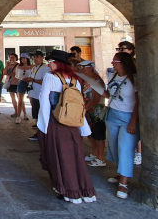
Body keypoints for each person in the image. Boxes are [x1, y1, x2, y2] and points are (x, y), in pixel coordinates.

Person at [37, 50, 96, 204]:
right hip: (72, 123)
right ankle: (84, 189)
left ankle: (66, 189)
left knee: (59, 157)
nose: (49, 64)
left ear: (58, 63)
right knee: (75, 156)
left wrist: (43, 125)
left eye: (51, 61)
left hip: (56, 122)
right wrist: (83, 127)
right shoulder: (75, 79)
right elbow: (78, 103)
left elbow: (44, 100)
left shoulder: (50, 76)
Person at [103, 52, 139, 199]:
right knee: (114, 147)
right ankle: (120, 173)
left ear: (123, 63)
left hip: (127, 116)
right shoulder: (114, 76)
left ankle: (123, 184)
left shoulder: (134, 79)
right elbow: (109, 95)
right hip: (112, 115)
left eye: (115, 61)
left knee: (125, 148)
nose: (112, 63)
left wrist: (133, 121)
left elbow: (138, 102)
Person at [76, 60, 106, 167]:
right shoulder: (87, 79)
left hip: (97, 112)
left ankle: (100, 158)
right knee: (92, 134)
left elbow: (96, 100)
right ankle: (94, 154)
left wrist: (84, 109)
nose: (82, 70)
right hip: (90, 111)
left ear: (91, 68)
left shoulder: (96, 80)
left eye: (84, 67)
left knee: (99, 135)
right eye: (81, 67)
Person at [116, 41, 141, 165]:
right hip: (115, 113)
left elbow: (138, 99)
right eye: (119, 49)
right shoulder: (116, 74)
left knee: (128, 141)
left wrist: (134, 120)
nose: (120, 50)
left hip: (128, 113)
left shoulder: (135, 70)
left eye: (123, 48)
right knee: (116, 146)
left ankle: (139, 153)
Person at [24, 51, 49, 141]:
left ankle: (41, 133)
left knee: (41, 114)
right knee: (36, 114)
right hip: (34, 94)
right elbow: (32, 79)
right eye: (34, 57)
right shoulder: (34, 68)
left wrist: (33, 80)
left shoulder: (45, 68)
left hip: (40, 95)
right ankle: (39, 132)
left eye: (37, 56)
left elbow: (45, 82)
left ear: (42, 57)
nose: (35, 58)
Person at [15, 53, 32, 122]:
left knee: (31, 101)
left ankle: (34, 117)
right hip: (21, 83)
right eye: (22, 59)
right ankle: (18, 116)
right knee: (20, 101)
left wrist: (29, 79)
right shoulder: (18, 66)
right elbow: (17, 76)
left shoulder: (31, 67)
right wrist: (22, 79)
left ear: (27, 59)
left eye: (25, 58)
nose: (23, 60)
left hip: (30, 83)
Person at [4, 53, 20, 122]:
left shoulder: (18, 65)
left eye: (13, 57)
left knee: (19, 98)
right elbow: (4, 72)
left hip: (17, 83)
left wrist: (9, 73)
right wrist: (6, 66)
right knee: (13, 98)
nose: (11, 59)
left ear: (16, 58)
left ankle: (21, 113)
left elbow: (16, 74)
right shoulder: (8, 65)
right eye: (10, 57)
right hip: (10, 83)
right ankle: (16, 111)